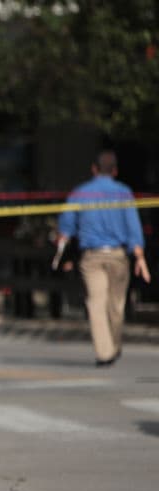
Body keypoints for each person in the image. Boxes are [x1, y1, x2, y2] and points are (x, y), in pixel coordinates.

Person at [57, 150, 151, 366]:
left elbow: (66, 225)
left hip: (92, 257)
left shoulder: (81, 193)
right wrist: (139, 255)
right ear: (115, 171)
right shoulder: (124, 193)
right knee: (116, 305)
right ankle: (110, 348)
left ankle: (106, 350)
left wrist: (63, 244)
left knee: (96, 304)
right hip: (118, 255)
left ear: (94, 169)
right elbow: (133, 227)